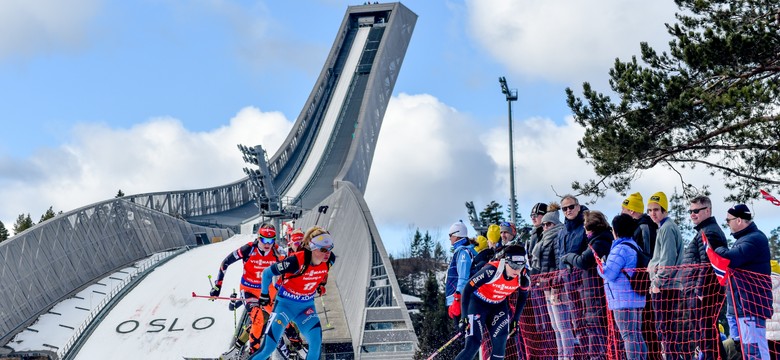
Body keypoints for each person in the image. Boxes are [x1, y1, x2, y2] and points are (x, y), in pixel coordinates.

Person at [248, 226, 336, 360]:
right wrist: (264, 294)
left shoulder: (330, 260)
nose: (327, 253)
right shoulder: (296, 261)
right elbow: (267, 273)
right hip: (285, 306)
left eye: (330, 248)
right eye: (323, 249)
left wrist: (321, 285)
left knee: (316, 342)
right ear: (312, 247)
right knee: (268, 348)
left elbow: (322, 273)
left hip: (306, 308)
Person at [210, 223, 285, 358]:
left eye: (271, 240)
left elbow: (292, 269)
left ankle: (295, 349)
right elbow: (225, 262)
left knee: (283, 316)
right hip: (248, 289)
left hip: (266, 291)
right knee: (257, 318)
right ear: (258, 237)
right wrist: (218, 286)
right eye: (264, 240)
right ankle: (253, 354)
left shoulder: (278, 251)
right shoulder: (248, 249)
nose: (267, 244)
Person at [714, 204, 772, 359]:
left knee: (756, 349)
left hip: (751, 306)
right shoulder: (745, 239)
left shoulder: (754, 239)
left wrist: (717, 249)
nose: (727, 224)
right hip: (743, 306)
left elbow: (731, 258)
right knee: (747, 349)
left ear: (738, 220)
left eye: (728, 220)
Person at [455, 244, 530, 360]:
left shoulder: (523, 277)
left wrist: (515, 320)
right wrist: (463, 316)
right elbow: (467, 289)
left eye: (520, 266)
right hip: (478, 304)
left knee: (500, 345)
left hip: (498, 306)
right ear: (506, 262)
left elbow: (523, 297)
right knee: (474, 344)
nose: (517, 270)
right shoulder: (491, 271)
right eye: (513, 266)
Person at [680, 195, 728, 360]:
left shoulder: (709, 231)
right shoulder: (704, 230)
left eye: (696, 211)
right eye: (690, 211)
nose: (692, 214)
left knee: (706, 335)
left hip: (704, 292)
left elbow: (708, 264)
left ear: (707, 210)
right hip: (698, 290)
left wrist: (699, 291)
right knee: (706, 335)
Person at [561, 210, 611, 359]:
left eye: (585, 224)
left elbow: (584, 261)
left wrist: (569, 257)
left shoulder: (600, 241)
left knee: (596, 328)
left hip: (597, 293)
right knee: (592, 327)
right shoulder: (597, 239)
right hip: (591, 292)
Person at [598, 213, 647, 360]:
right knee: (636, 334)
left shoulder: (619, 249)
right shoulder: (634, 246)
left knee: (628, 336)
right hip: (636, 297)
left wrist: (600, 264)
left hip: (622, 299)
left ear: (616, 230)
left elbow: (609, 273)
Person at [621, 192, 661, 359]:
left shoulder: (643, 227)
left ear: (631, 211)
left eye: (623, 210)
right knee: (643, 327)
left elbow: (646, 256)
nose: (621, 214)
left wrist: (641, 281)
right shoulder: (640, 227)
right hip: (643, 285)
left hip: (646, 284)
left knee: (647, 326)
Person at [645, 191, 684, 359]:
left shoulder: (667, 228)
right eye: (650, 210)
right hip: (665, 286)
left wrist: (657, 283)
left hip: (666, 287)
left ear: (664, 210)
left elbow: (667, 259)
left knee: (666, 330)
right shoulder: (663, 227)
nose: (653, 213)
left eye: (656, 209)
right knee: (666, 330)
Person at [536, 203, 575, 359]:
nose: (545, 227)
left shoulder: (558, 237)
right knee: (555, 327)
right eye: (544, 224)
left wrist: (557, 286)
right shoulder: (544, 241)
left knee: (563, 326)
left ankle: (567, 356)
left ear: (556, 224)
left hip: (558, 288)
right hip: (548, 288)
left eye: (549, 224)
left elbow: (560, 264)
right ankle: (561, 356)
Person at [556, 194, 589, 356]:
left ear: (578, 206)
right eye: (565, 208)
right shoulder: (562, 231)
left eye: (571, 207)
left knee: (589, 322)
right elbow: (559, 257)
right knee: (577, 324)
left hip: (586, 282)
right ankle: (584, 355)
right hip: (568, 283)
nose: (568, 210)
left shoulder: (585, 225)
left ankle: (595, 355)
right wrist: (558, 281)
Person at [446, 221, 477, 322]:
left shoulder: (463, 252)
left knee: (462, 331)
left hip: (462, 300)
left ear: (457, 235)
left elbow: (463, 277)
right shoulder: (463, 251)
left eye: (450, 235)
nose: (449, 238)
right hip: (459, 299)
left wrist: (457, 298)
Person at [526, 202, 548, 267]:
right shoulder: (534, 233)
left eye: (535, 215)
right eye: (531, 216)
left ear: (545, 215)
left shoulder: (552, 231)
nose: (533, 218)